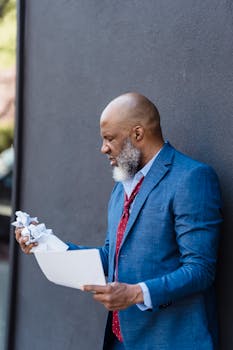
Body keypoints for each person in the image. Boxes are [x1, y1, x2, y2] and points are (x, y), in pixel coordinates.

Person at [15, 93, 222, 350]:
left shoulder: (191, 178)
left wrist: (136, 293)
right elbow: (110, 258)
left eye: (109, 138)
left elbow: (200, 270)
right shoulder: (122, 185)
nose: (103, 148)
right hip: (120, 340)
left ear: (137, 134)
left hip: (169, 341)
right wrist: (44, 243)